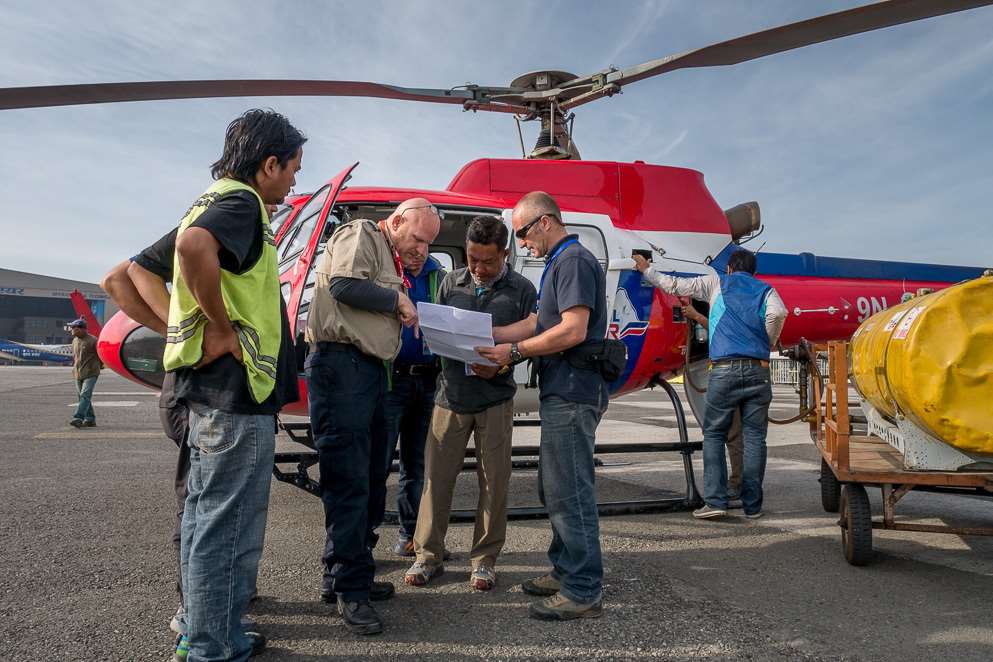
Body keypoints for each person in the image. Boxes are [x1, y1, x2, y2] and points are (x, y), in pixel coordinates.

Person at [161, 108, 304, 662]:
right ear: (270, 164)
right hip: (234, 394)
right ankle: (212, 646)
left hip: (209, 393)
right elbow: (193, 247)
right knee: (225, 521)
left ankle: (202, 629)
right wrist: (220, 328)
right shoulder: (242, 202)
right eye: (293, 168)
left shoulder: (212, 196)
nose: (294, 180)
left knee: (203, 516)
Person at [305, 198, 440, 635]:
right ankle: (351, 590)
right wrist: (396, 299)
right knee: (349, 480)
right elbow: (343, 284)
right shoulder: (362, 233)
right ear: (397, 221)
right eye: (418, 238)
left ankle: (342, 575)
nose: (422, 249)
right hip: (342, 367)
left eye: (428, 243)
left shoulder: (391, 255)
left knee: (366, 477)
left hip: (366, 372)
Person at [477, 191, 609, 621]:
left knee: (569, 490)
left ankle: (583, 589)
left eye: (522, 234)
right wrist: (490, 334)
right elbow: (539, 322)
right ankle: (565, 569)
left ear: (545, 222)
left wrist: (514, 354)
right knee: (554, 486)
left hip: (573, 390)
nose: (522, 244)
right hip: (562, 389)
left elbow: (572, 330)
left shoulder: (571, 262)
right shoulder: (558, 264)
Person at [404, 216, 537, 591]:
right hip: (450, 397)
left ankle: (484, 560)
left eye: (488, 262)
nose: (478, 269)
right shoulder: (451, 281)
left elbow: (530, 342)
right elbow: (439, 331)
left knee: (494, 483)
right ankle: (427, 555)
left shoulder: (523, 290)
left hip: (495, 400)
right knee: (436, 480)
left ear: (505, 254)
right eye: (472, 259)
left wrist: (505, 360)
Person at [633, 248, 786, 520]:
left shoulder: (716, 282)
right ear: (753, 272)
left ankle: (715, 500)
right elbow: (778, 314)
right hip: (758, 371)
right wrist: (769, 340)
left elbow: (674, 284)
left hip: (724, 371)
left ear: (728, 269)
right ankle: (752, 506)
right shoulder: (766, 290)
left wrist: (647, 269)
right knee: (754, 438)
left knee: (715, 433)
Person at [383, 248, 444, 558]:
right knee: (377, 463)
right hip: (393, 380)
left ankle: (411, 535)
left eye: (425, 244)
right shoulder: (388, 274)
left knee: (418, 465)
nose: (418, 252)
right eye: (413, 244)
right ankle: (362, 544)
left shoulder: (439, 277)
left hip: (428, 381)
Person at [681, 301, 744, 506]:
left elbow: (721, 329)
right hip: (751, 371)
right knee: (749, 436)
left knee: (717, 433)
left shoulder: (726, 301)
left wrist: (696, 316)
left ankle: (718, 495)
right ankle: (748, 492)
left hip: (727, 372)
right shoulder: (754, 301)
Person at [68, 318, 102, 428]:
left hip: (91, 372)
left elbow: (101, 356)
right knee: (83, 397)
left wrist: (98, 367)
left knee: (85, 395)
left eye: (74, 328)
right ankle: (90, 419)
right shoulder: (74, 341)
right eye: (72, 328)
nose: (72, 330)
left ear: (82, 329)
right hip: (78, 373)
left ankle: (78, 417)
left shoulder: (93, 340)